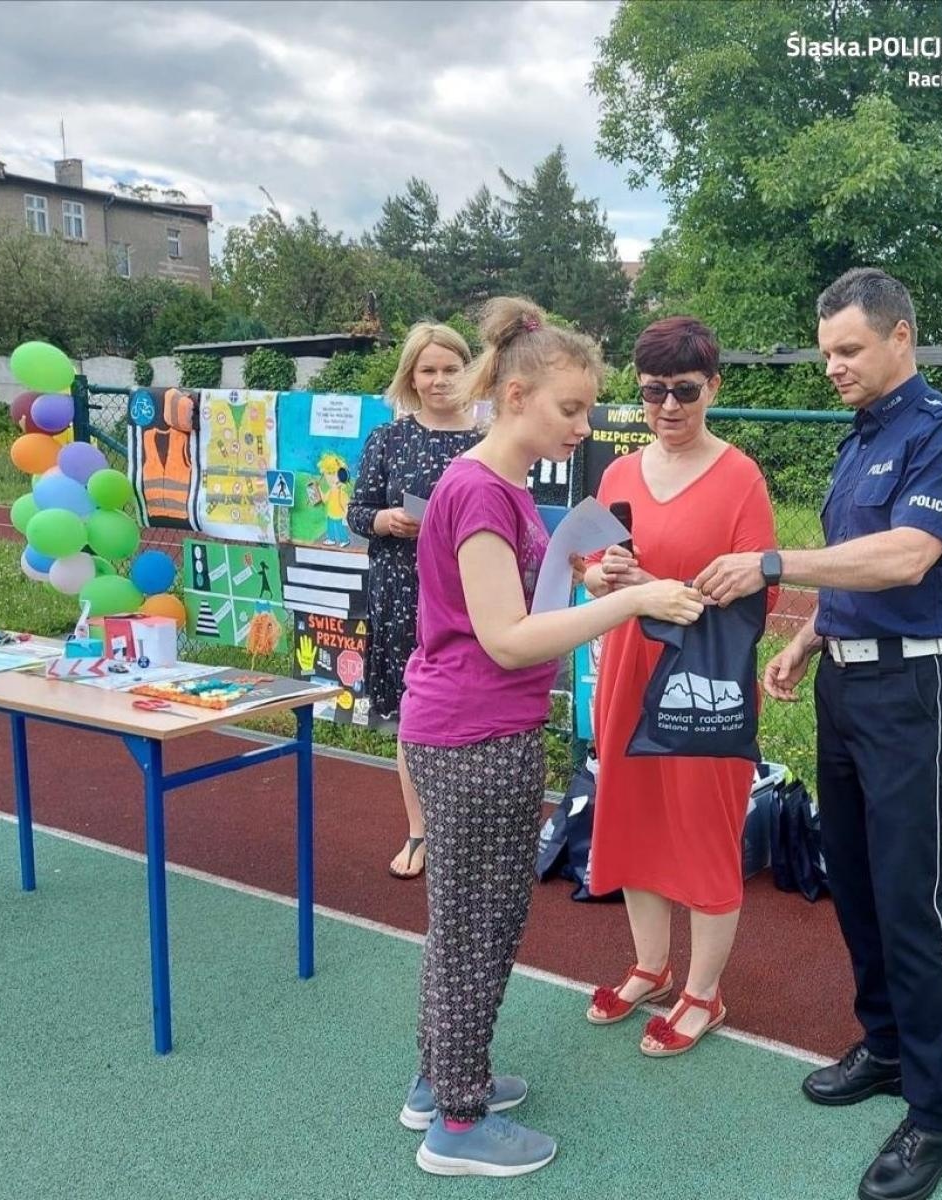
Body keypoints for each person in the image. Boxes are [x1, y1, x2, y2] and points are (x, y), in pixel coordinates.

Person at [695, 268, 942, 1200]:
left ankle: (938, 1114)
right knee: (853, 880)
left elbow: (905, 556)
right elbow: (855, 568)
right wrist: (809, 636)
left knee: (910, 894)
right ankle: (884, 1044)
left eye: (849, 351)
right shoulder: (860, 434)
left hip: (914, 686)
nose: (833, 368)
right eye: (825, 352)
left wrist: (772, 565)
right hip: (846, 684)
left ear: (902, 337)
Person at [397, 297, 704, 1177]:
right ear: (517, 393)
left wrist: (584, 575)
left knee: (472, 923)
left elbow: (514, 611)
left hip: (474, 726)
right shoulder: (482, 490)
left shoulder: (490, 486)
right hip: (473, 733)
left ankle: (441, 1081)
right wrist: (632, 598)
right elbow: (504, 638)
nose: (586, 424)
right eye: (571, 409)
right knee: (476, 928)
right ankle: (455, 1123)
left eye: (589, 407)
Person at [581, 317, 777, 1059]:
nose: (667, 407)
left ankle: (704, 991)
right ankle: (651, 966)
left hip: (703, 684)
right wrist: (605, 576)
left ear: (712, 387)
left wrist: (659, 585)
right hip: (629, 668)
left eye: (684, 391)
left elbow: (749, 593)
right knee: (630, 820)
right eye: (653, 391)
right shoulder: (618, 474)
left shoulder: (740, 477)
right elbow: (594, 565)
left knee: (702, 828)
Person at [346, 323, 479, 879]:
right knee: (413, 716)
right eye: (429, 370)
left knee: (473, 714)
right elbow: (356, 513)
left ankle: (468, 832)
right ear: (411, 376)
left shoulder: (487, 441)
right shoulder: (389, 438)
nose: (440, 381)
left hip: (472, 592)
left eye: (451, 369)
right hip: (402, 590)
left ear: (468, 371)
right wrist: (384, 520)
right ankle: (420, 831)